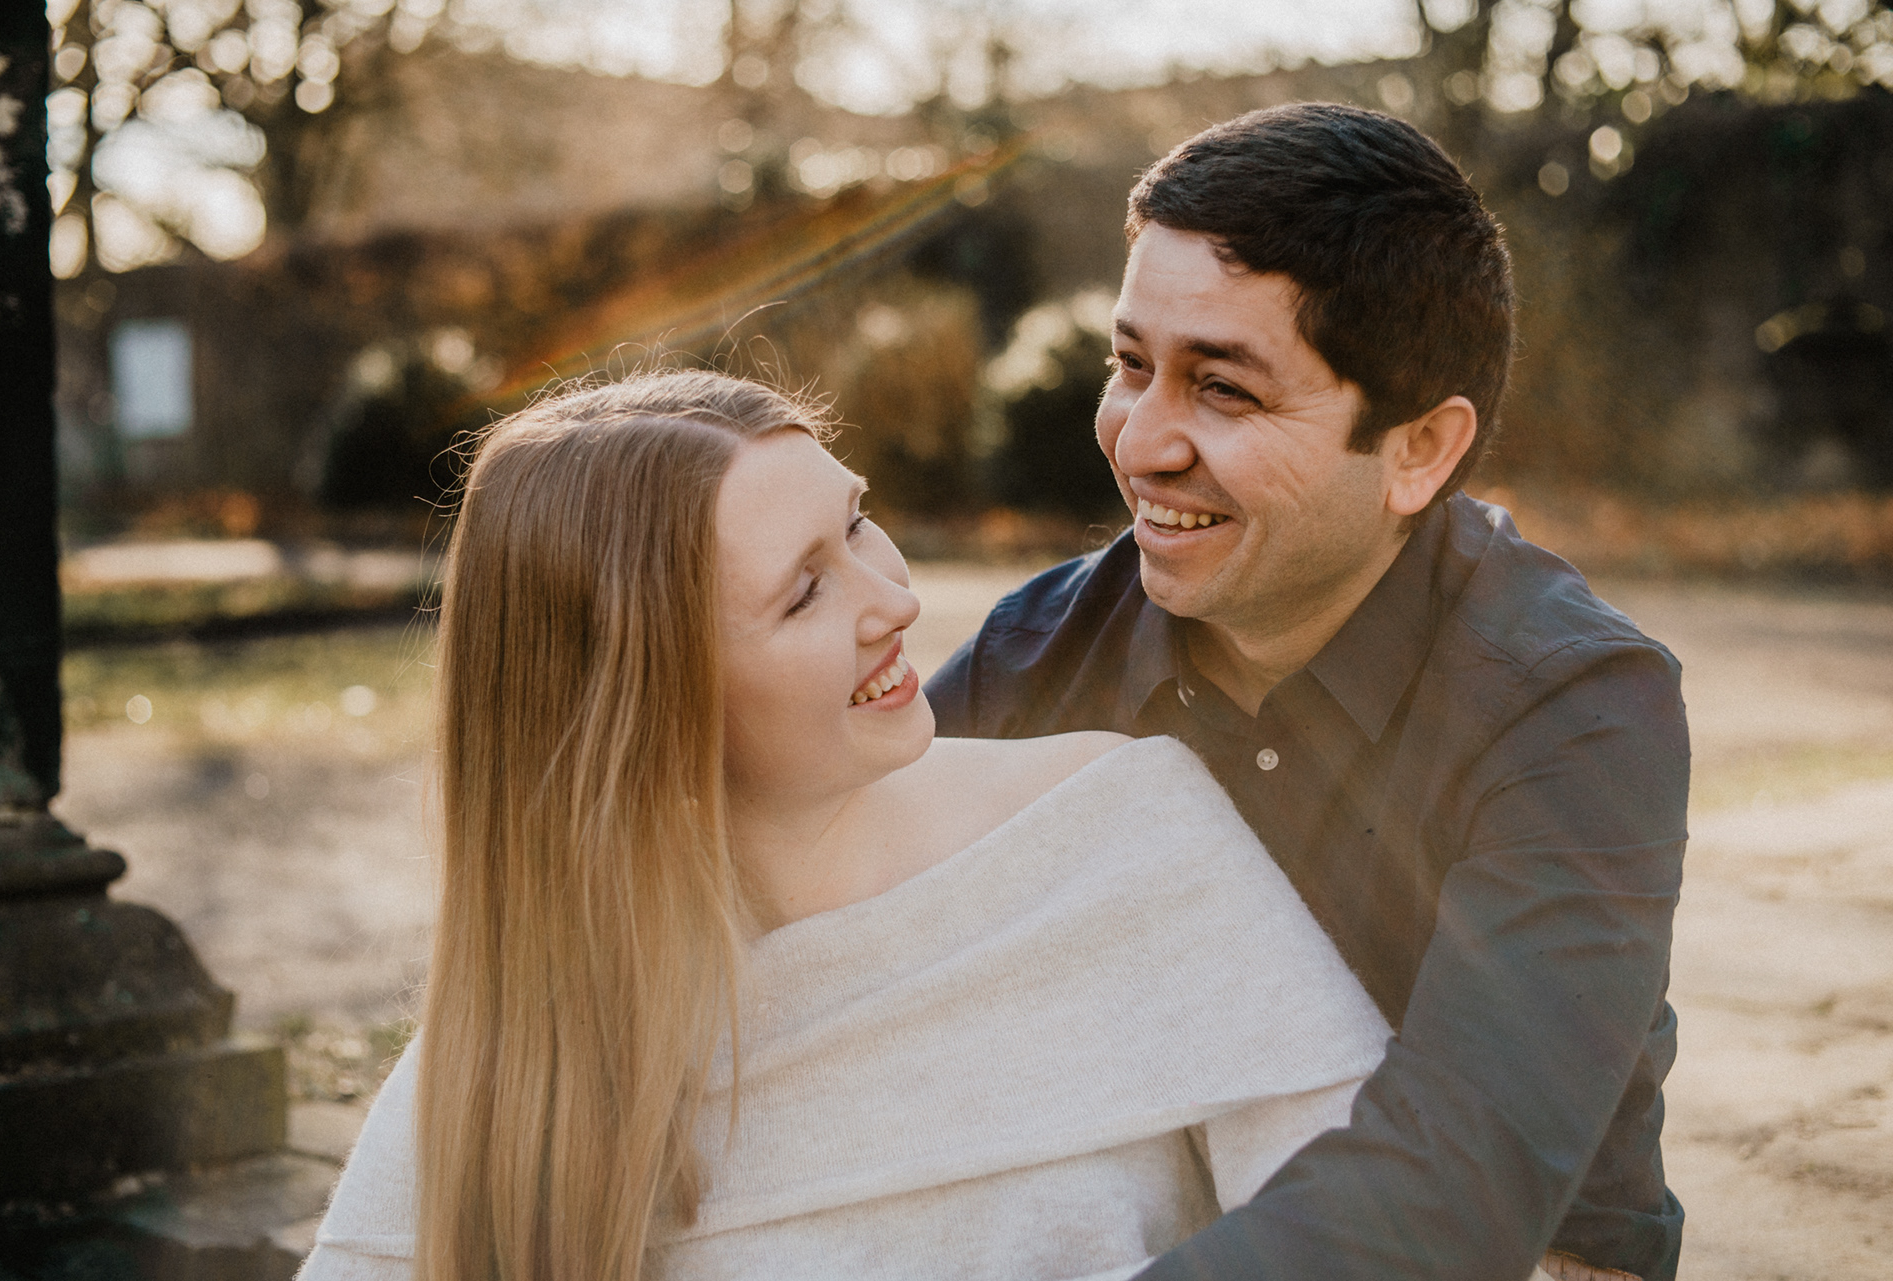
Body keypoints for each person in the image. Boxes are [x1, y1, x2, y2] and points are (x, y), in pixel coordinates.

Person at [296, 370, 1399, 1281]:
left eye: (858, 522)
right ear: (649, 707)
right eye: (804, 592)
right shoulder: (527, 1048)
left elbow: (1371, 1231)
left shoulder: (1123, 835)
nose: (894, 600)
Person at [927, 103, 1689, 1281]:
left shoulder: (1576, 707)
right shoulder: (1036, 655)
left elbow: (1457, 1189)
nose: (1139, 442)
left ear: (1418, 451)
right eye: (1130, 366)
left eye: (1224, 391)